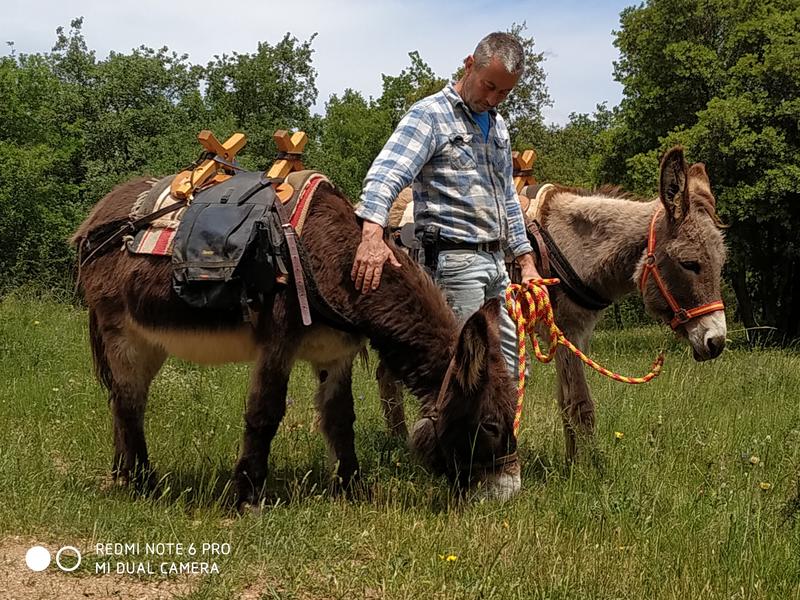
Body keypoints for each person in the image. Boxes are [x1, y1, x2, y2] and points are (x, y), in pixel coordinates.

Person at [350, 32, 546, 375]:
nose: (494, 99)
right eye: (488, 86)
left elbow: (508, 198)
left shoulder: (498, 127)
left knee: (510, 369)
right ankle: (448, 430)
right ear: (469, 65)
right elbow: (386, 175)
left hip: (496, 264)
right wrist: (371, 236)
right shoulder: (430, 115)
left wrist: (526, 262)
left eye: (504, 92)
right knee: (466, 373)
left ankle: (501, 431)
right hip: (454, 261)